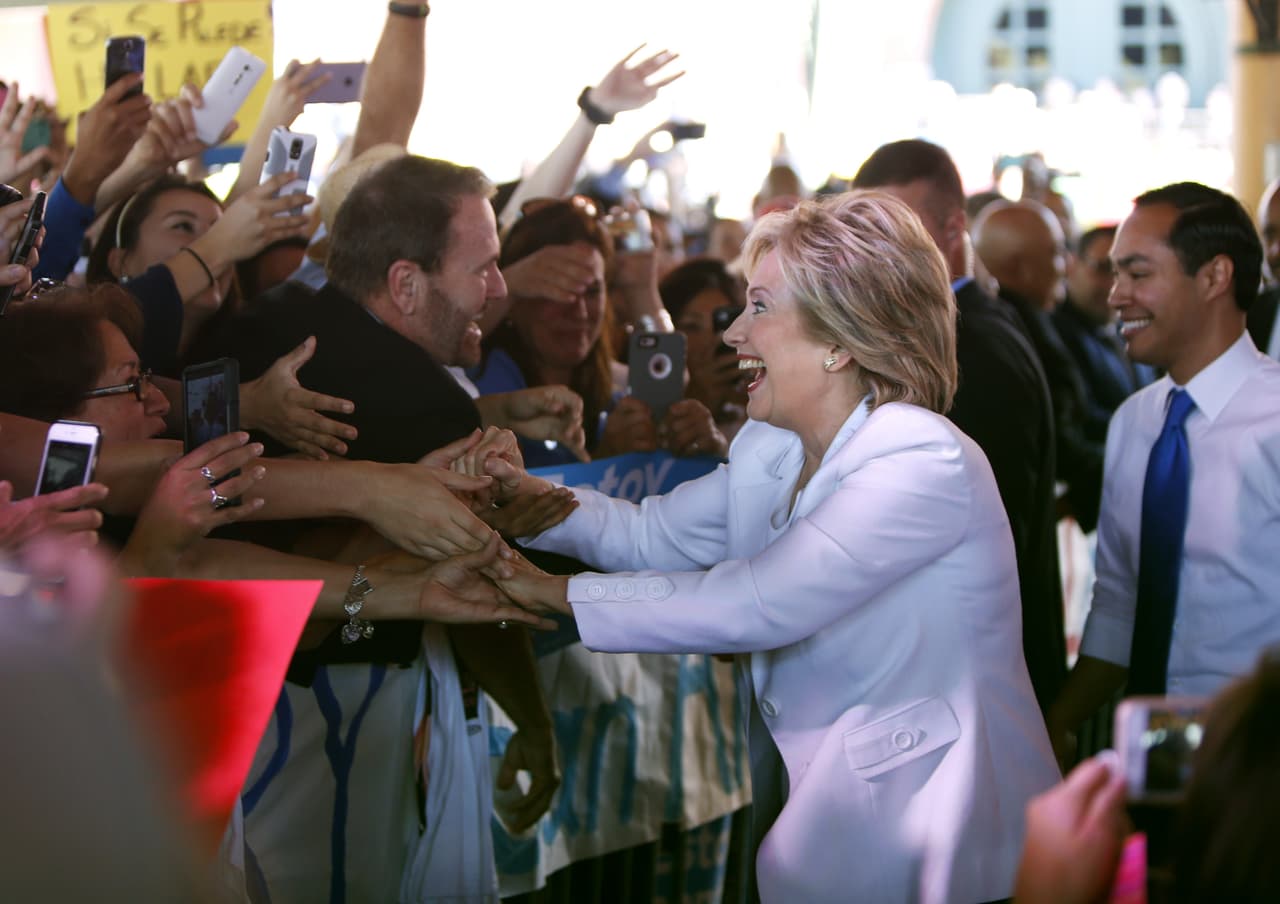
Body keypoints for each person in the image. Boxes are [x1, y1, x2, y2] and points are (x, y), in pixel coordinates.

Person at [491, 191, 1060, 902]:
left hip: (949, 852)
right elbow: (647, 533)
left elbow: (756, 601)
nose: (733, 335)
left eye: (759, 308)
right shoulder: (771, 449)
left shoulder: (922, 456)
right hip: (833, 841)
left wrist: (552, 593)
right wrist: (517, 501)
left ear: (840, 339)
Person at [1048, 182, 1280, 757]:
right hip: (1149, 752)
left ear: (1214, 276)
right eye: (1115, 274)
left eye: (1138, 273)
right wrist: (1055, 724)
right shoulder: (1135, 422)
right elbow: (1119, 601)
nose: (1116, 295)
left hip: (1254, 763)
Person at [851, 139, 1065, 714]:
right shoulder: (945, 334)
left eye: (895, 229)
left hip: (976, 691)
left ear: (951, 230)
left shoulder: (973, 346)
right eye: (863, 230)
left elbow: (989, 539)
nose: (873, 250)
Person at [475, 197, 726, 465]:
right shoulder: (485, 382)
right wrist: (605, 460)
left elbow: (669, 380)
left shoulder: (608, 383)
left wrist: (641, 288)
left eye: (593, 292)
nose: (580, 311)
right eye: (560, 292)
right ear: (514, 300)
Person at [973, 199, 1105, 531]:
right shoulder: (1009, 336)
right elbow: (1057, 442)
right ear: (1019, 267)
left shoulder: (1018, 322)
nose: (1067, 265)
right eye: (1056, 252)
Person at [1052, 225, 1154, 443]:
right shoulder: (1054, 335)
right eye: (1103, 268)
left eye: (1135, 274)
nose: (1115, 286)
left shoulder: (1137, 328)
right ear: (1071, 265)